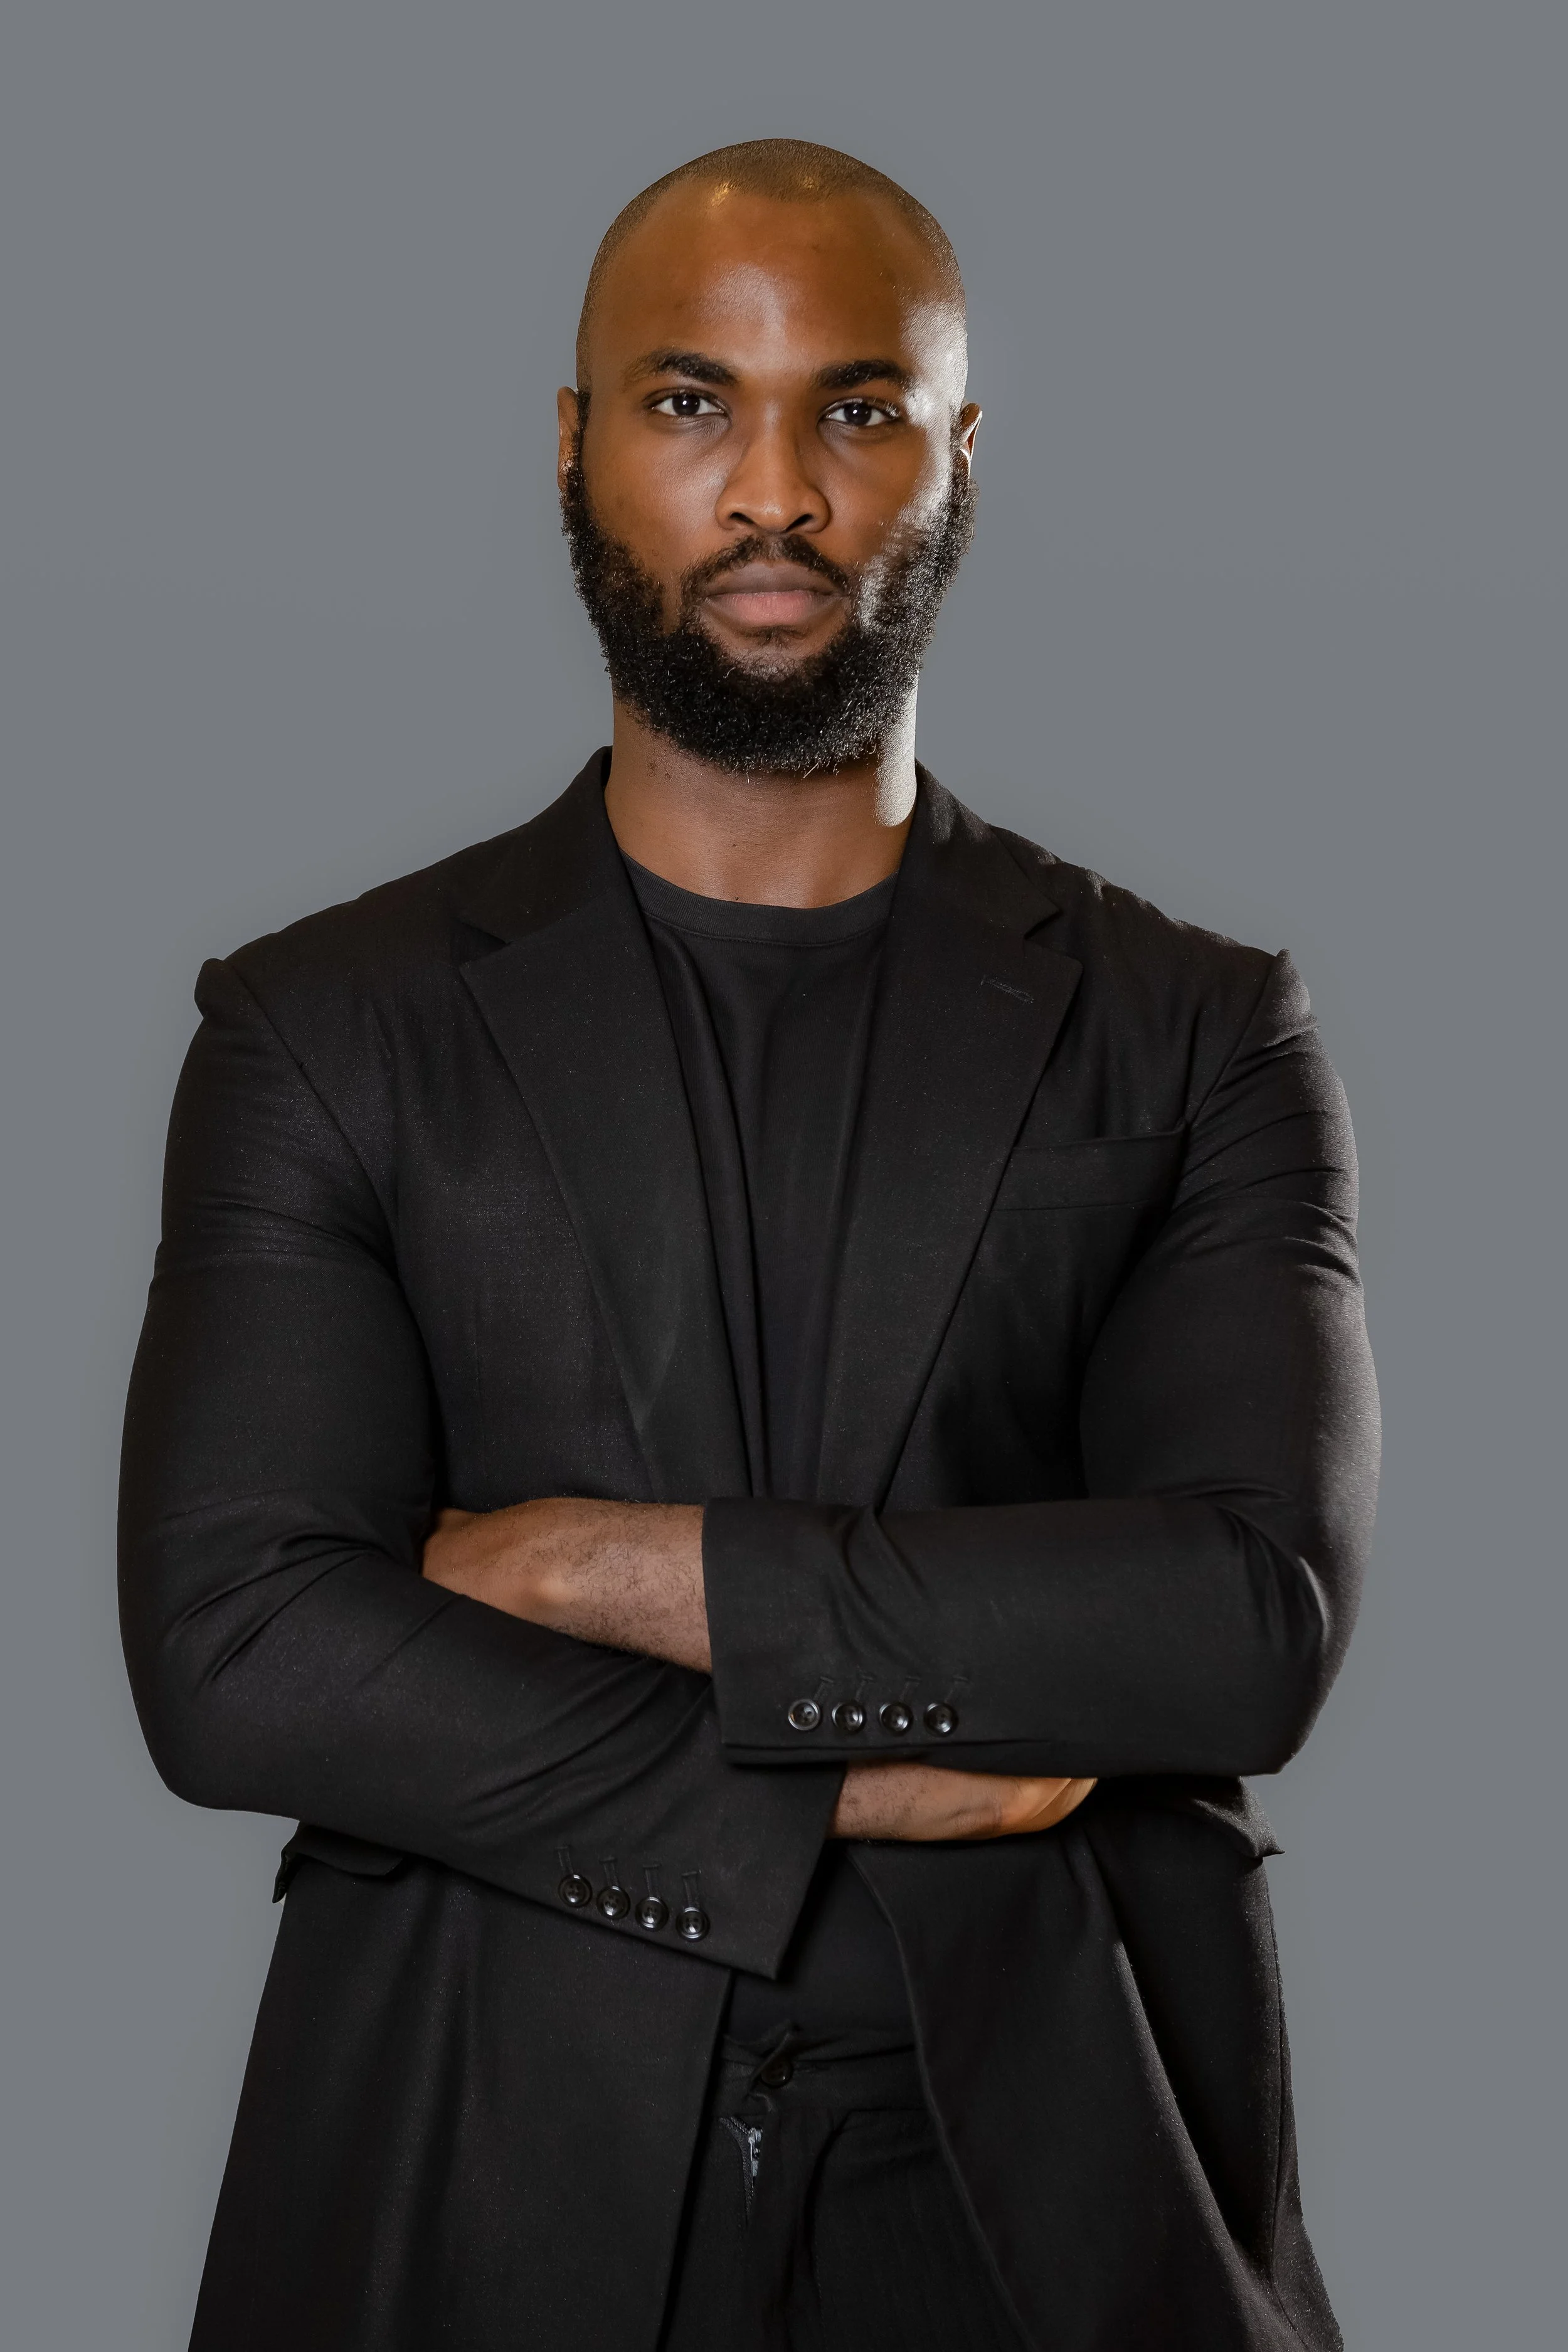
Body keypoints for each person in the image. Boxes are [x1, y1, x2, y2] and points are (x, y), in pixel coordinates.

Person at [119, 139, 1379, 2352]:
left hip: (1057, 2197)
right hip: (473, 2166)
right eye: (691, 401)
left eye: (858, 408)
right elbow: (239, 1649)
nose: (774, 491)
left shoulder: (1195, 1026)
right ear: (576, 444)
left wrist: (592, 1565)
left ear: (960, 455)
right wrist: (826, 1789)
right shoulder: (322, 1028)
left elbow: (1242, 1621)